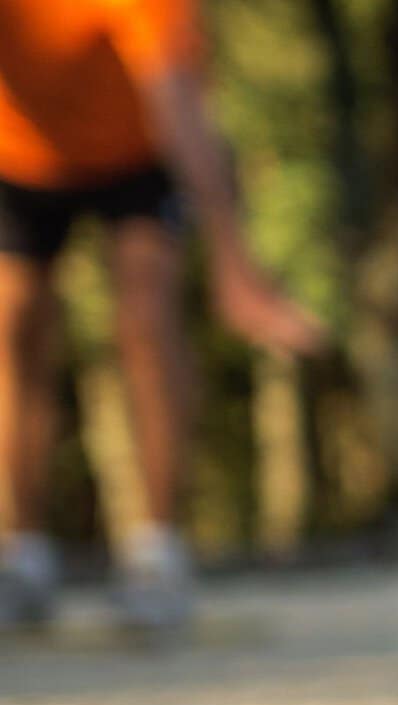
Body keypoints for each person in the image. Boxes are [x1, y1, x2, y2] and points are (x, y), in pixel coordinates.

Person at [0, 0, 321, 633]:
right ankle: (22, 558)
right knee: (15, 325)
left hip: (138, 151)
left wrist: (233, 262)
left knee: (147, 317)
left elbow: (181, 109)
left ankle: (157, 555)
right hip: (16, 154)